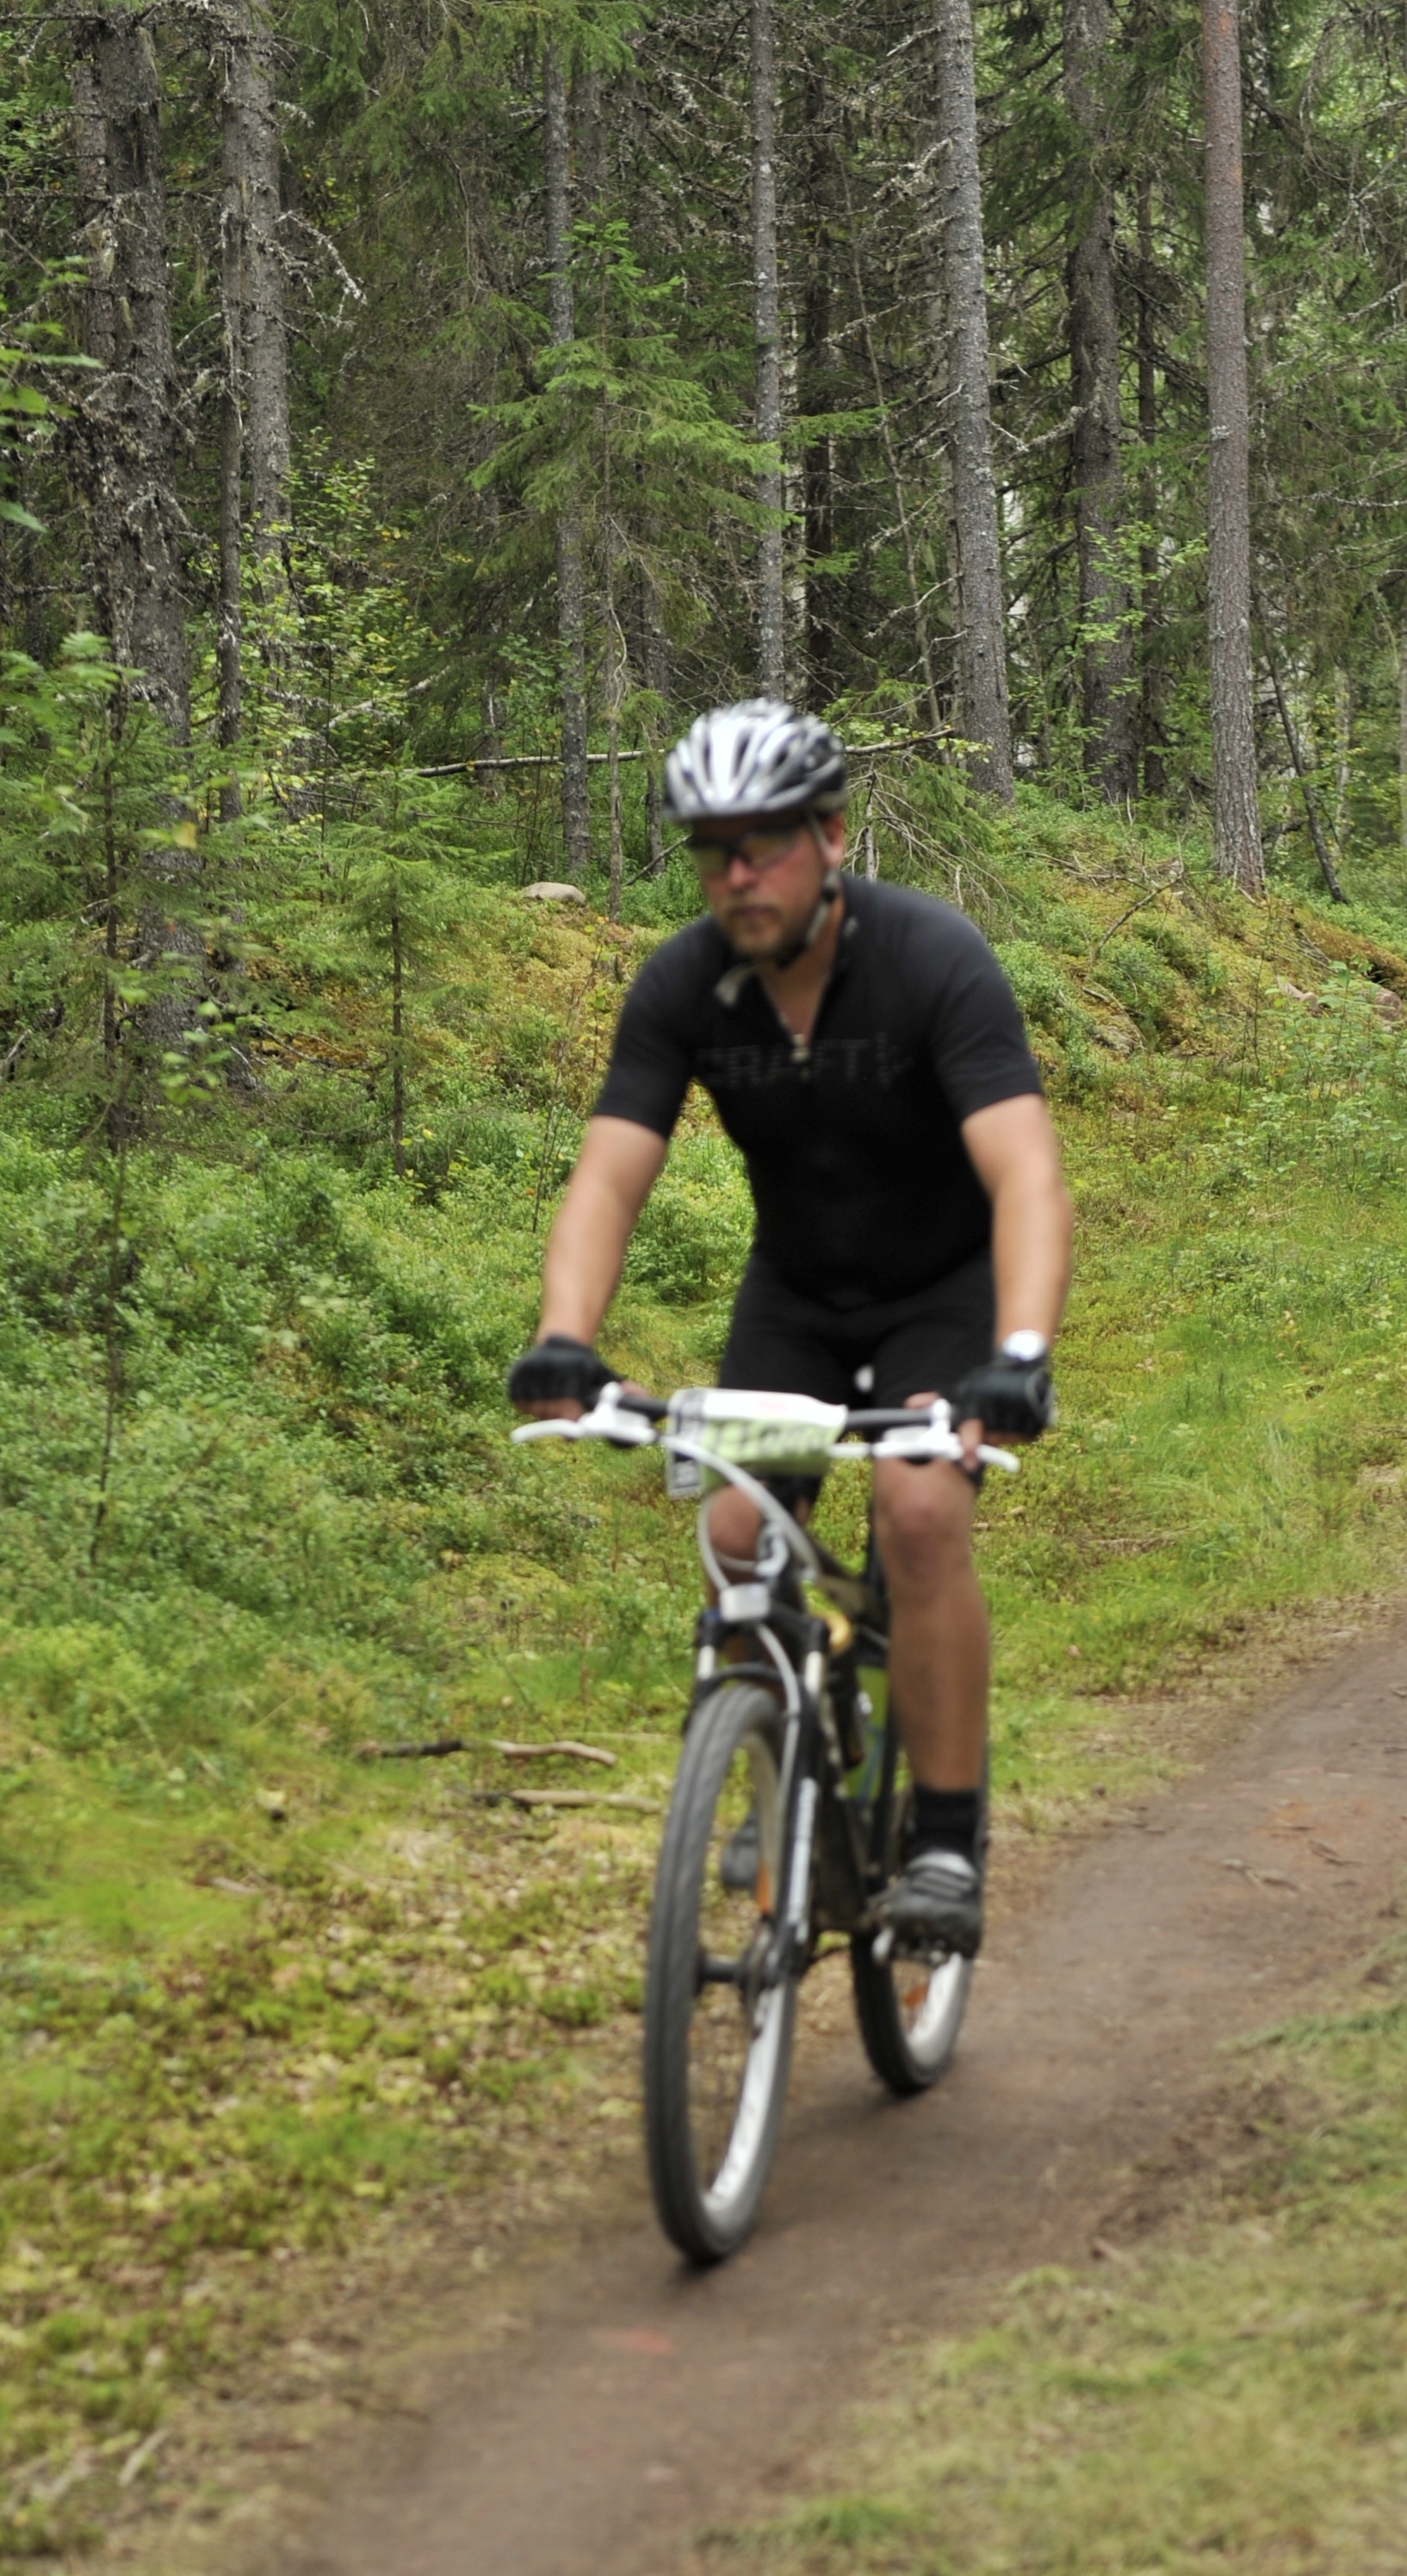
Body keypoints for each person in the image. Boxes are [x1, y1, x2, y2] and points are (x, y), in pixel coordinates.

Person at [505, 698, 1072, 1958]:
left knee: (918, 1513)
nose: (737, 874)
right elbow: (608, 1178)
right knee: (734, 1535)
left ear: (831, 836)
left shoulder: (931, 959)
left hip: (944, 1293)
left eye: (763, 843)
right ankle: (779, 1776)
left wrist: (1020, 1355)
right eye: (713, 850)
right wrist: (565, 1337)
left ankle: (945, 1835)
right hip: (798, 1300)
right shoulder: (684, 984)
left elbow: (1026, 1174)